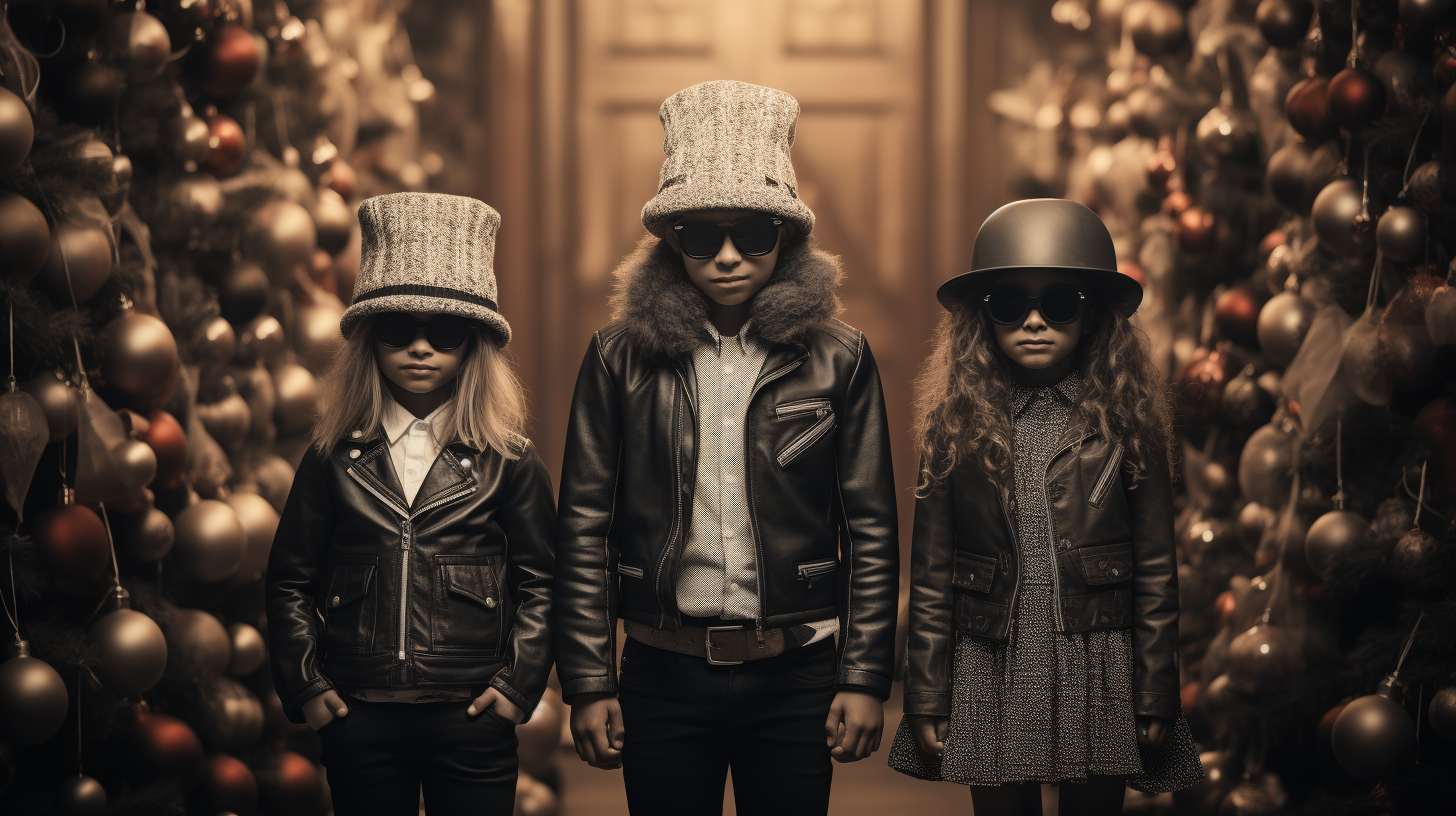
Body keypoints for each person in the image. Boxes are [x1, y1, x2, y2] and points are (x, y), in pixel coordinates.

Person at [553, 80, 899, 816]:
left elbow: (870, 526)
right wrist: (588, 681)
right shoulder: (617, 359)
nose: (730, 256)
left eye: (754, 233)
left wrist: (865, 676)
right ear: (672, 239)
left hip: (798, 667)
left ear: (788, 235)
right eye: (703, 236)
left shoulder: (841, 359)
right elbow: (583, 523)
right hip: (660, 669)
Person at [888, 199, 1203, 815]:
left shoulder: (1129, 423)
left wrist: (1156, 689)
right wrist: (926, 692)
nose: (1034, 322)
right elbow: (927, 575)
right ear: (982, 319)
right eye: (1010, 305)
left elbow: (1158, 571)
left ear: (1093, 316)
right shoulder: (955, 426)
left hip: (1099, 656)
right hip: (992, 656)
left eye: (1058, 304)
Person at [265, 193, 556, 816]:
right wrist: (309, 686)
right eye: (398, 330)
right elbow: (290, 580)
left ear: (473, 345)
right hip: (358, 714)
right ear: (369, 341)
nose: (420, 349)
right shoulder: (330, 460)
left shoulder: (508, 460)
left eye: (445, 333)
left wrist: (516, 686)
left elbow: (544, 584)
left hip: (473, 715)